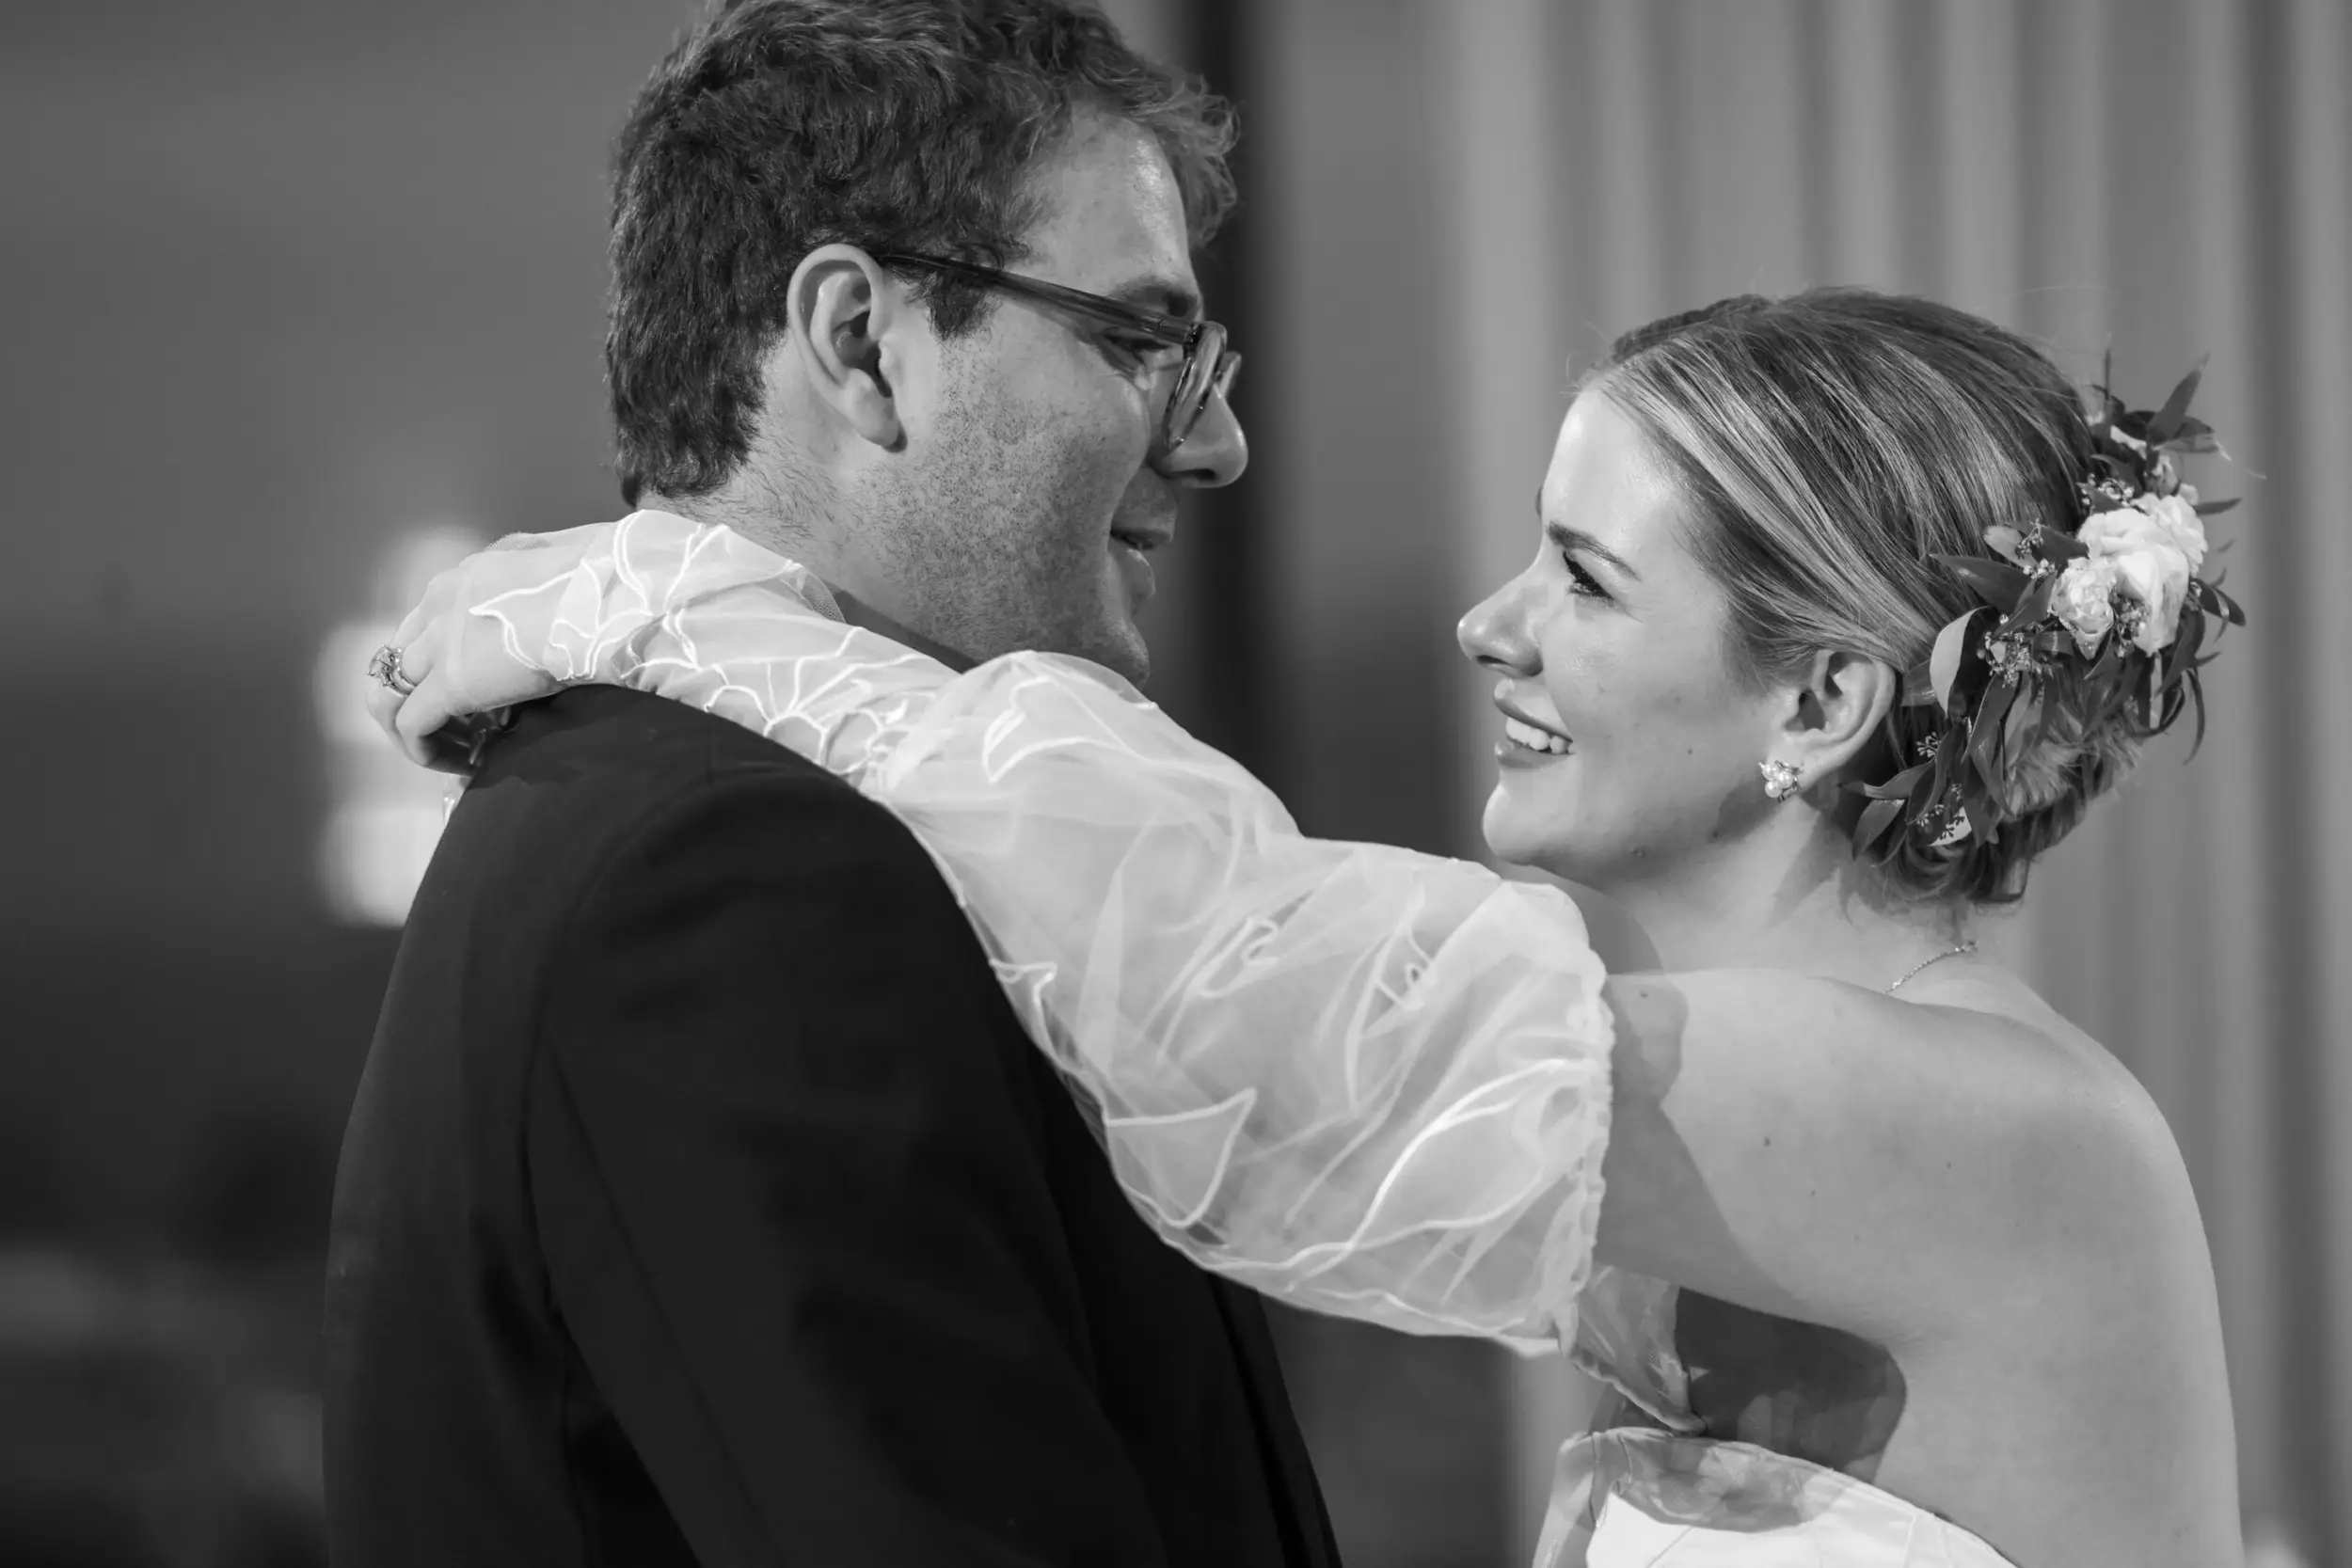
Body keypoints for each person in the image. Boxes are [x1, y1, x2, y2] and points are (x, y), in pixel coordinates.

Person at [377, 290, 2249, 1566]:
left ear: (1822, 705)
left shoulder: (1979, 1124)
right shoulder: (1727, 1127)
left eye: (1584, 579)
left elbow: (1221, 975)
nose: (1483, 622)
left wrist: (660, 608)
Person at [323, 5, 1342, 1566]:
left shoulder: (678, 815)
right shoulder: (733, 879)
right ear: (861, 342)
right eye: (1141, 341)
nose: (1216, 447)